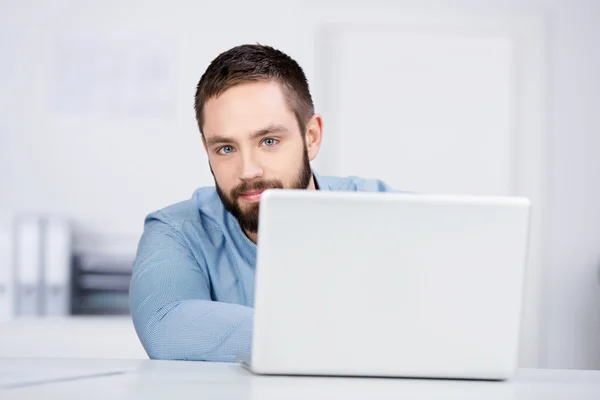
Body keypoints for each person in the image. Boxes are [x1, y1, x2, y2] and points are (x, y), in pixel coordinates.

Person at [129, 44, 397, 362]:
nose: (248, 171)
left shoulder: (381, 211)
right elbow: (167, 329)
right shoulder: (177, 231)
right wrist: (365, 336)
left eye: (268, 141)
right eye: (226, 148)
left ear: (311, 136)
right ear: (207, 150)